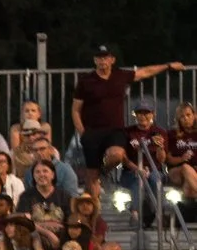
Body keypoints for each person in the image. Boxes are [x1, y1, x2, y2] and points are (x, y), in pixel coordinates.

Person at [72, 45, 185, 176]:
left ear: (112, 60)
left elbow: (145, 72)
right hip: (92, 131)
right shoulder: (85, 81)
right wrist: (82, 133)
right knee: (91, 175)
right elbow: (75, 110)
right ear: (95, 60)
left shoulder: (121, 75)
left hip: (115, 130)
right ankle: (95, 182)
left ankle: (104, 171)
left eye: (106, 57)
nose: (102, 60)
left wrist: (168, 66)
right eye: (99, 58)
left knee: (117, 155)